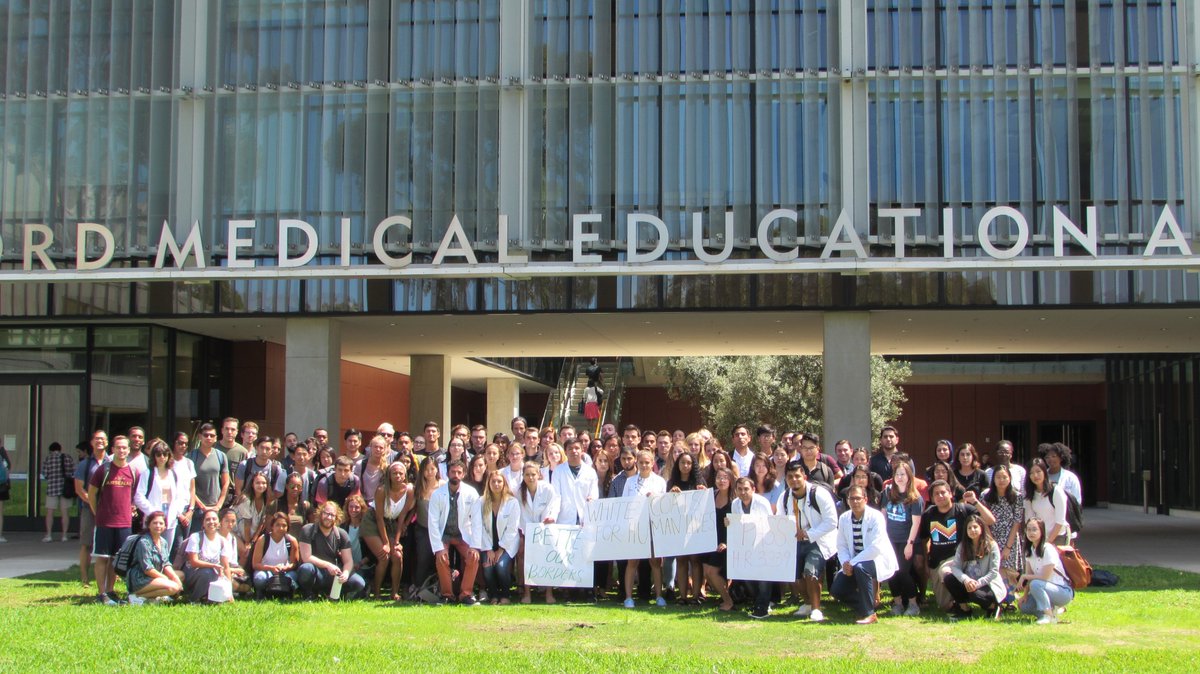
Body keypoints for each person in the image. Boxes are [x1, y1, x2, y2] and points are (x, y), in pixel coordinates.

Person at [917, 479, 995, 611]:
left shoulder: (963, 510)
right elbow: (924, 540)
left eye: (943, 492)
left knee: (946, 572)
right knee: (944, 606)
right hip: (937, 561)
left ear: (950, 493)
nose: (940, 496)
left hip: (962, 558)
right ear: (932, 497)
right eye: (936, 494)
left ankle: (975, 604)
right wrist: (926, 564)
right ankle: (962, 602)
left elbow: (990, 520)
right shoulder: (928, 514)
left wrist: (975, 502)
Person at [776, 460, 838, 621]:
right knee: (795, 576)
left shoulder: (819, 494)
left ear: (804, 476)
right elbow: (780, 520)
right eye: (790, 477)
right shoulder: (785, 497)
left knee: (810, 572)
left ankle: (816, 609)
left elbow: (832, 521)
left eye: (797, 476)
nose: (794, 480)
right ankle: (808, 603)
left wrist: (810, 534)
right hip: (795, 540)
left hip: (818, 540)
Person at [831, 486, 898, 624]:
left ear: (865, 499)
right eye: (852, 499)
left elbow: (876, 547)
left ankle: (870, 614)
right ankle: (866, 605)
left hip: (875, 560)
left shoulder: (876, 516)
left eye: (858, 498)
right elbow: (841, 545)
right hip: (853, 562)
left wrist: (853, 562)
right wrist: (845, 562)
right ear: (847, 501)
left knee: (861, 568)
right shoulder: (844, 518)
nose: (855, 502)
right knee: (837, 590)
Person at [88, 435, 138, 605]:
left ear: (129, 450)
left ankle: (111, 591)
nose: (122, 450)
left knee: (116, 560)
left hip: (124, 523)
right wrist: (96, 512)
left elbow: (133, 495)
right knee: (102, 557)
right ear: (113, 450)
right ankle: (101, 593)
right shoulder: (104, 470)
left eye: (125, 447)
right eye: (118, 447)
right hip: (104, 522)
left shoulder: (133, 471)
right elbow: (92, 493)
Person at [428, 460, 481, 604]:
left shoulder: (471, 493)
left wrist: (475, 546)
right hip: (444, 535)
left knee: (473, 557)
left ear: (463, 474)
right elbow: (432, 523)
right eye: (453, 472)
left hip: (463, 534)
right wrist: (438, 548)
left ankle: (466, 594)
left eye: (459, 472)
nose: (456, 475)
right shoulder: (437, 494)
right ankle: (447, 595)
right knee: (442, 559)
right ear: (447, 473)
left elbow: (477, 521)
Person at [622, 450, 668, 608]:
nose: (644, 465)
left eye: (647, 462)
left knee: (655, 562)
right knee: (632, 561)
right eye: (641, 462)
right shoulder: (630, 482)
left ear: (652, 462)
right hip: (635, 526)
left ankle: (659, 596)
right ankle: (629, 597)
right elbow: (624, 503)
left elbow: (665, 504)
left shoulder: (660, 481)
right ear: (637, 462)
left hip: (653, 525)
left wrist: (654, 497)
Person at [362, 461, 413, 600]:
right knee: (383, 556)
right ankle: (376, 593)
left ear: (405, 475)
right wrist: (386, 543)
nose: (397, 476)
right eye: (394, 473)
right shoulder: (381, 490)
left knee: (397, 555)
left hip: (391, 523)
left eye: (400, 473)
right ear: (389, 475)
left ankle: (394, 592)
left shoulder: (409, 490)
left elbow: (402, 517)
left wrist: (396, 542)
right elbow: (378, 518)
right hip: (373, 521)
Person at [879, 461, 923, 616]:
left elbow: (916, 523)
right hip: (890, 540)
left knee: (904, 572)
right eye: (897, 474)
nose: (899, 477)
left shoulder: (915, 497)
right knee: (891, 572)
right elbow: (883, 516)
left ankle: (913, 603)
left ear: (909, 476)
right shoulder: (887, 493)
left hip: (906, 540)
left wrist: (909, 544)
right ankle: (897, 603)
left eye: (903, 474)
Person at [942, 513, 1007, 619]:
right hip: (969, 582)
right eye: (969, 528)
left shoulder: (992, 545)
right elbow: (955, 567)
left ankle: (993, 606)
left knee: (974, 593)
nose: (972, 530)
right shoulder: (963, 546)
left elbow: (994, 571)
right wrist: (966, 580)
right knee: (949, 578)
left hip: (988, 584)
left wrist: (978, 583)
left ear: (981, 528)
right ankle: (965, 610)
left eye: (975, 527)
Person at [298, 501, 366, 600]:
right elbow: (306, 557)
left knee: (359, 582)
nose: (329, 518)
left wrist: (346, 573)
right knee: (306, 569)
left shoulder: (341, 534)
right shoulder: (308, 530)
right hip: (316, 571)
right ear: (320, 513)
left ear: (336, 518)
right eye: (326, 513)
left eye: (332, 515)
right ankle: (309, 594)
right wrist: (328, 565)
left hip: (334, 574)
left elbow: (348, 560)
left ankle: (335, 595)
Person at [133, 440, 188, 559]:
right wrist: (153, 513)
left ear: (169, 456)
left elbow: (181, 496)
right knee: (150, 549)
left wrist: (177, 512)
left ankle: (162, 574)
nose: (162, 457)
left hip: (171, 516)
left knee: (165, 551)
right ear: (154, 456)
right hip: (153, 515)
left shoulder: (173, 474)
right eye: (158, 454)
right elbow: (138, 496)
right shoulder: (148, 473)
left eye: (165, 454)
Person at [729, 477, 775, 619]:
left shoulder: (762, 503)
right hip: (745, 547)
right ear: (736, 491)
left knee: (763, 578)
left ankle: (763, 606)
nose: (743, 492)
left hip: (763, 545)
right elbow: (736, 526)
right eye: (740, 489)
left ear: (753, 489)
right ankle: (758, 602)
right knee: (748, 577)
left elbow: (770, 524)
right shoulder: (735, 504)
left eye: (746, 489)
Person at [518, 461, 560, 604]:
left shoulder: (547, 489)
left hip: (545, 529)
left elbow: (554, 504)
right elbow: (519, 515)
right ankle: (527, 593)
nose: (530, 478)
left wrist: (551, 517)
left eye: (533, 474)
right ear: (523, 476)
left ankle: (549, 593)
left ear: (539, 475)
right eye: (527, 475)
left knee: (547, 558)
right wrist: (524, 533)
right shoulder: (518, 491)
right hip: (526, 530)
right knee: (525, 559)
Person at [1017, 517, 1074, 624]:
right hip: (1041, 587)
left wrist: (1024, 576)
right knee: (1024, 606)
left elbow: (1044, 577)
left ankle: (1048, 617)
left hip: (1062, 591)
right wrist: (1024, 595)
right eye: (1028, 529)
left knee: (1036, 584)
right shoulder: (1029, 551)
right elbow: (1030, 575)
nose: (1031, 533)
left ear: (1041, 531)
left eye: (1034, 529)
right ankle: (1051, 612)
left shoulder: (1048, 549)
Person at [667, 452, 706, 605]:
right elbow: (666, 507)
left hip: (695, 528)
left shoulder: (699, 481)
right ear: (678, 465)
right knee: (681, 561)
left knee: (695, 561)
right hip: (679, 528)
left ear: (693, 465)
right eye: (683, 463)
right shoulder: (672, 483)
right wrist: (670, 494)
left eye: (689, 463)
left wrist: (703, 493)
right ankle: (682, 597)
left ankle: (696, 597)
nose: (685, 466)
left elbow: (705, 505)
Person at [478, 470, 520, 604]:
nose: (496, 484)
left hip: (507, 544)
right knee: (488, 567)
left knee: (501, 566)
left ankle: (506, 595)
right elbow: (480, 527)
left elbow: (512, 529)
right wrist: (488, 549)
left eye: (499, 481)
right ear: (488, 484)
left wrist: (501, 549)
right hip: (488, 543)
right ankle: (494, 595)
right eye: (493, 481)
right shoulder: (481, 502)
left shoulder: (512, 502)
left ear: (504, 484)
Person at [125, 510, 183, 605]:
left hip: (154, 577)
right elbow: (148, 569)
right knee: (173, 587)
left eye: (161, 523)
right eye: (155, 523)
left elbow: (166, 563)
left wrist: (174, 577)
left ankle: (155, 595)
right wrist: (166, 579)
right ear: (149, 525)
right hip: (140, 578)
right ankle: (136, 596)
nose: (158, 526)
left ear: (165, 526)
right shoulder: (144, 542)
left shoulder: (163, 541)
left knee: (181, 575)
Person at [74, 430, 109, 584]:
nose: (99, 441)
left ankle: (106, 578)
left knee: (108, 546)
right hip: (89, 509)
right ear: (91, 442)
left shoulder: (113, 462)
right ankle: (84, 578)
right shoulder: (85, 464)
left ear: (107, 442)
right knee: (86, 543)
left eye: (102, 439)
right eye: (96, 439)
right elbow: (79, 489)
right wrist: (93, 503)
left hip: (109, 510)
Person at [982, 464, 1025, 588]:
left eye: (1004, 477)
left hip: (1010, 537)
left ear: (1010, 478)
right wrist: (991, 542)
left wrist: (1008, 547)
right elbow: (983, 521)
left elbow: (1017, 521)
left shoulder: (1017, 496)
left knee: (1008, 571)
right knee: (993, 568)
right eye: (998, 477)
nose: (1001, 480)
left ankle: (1009, 599)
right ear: (993, 479)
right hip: (991, 536)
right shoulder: (985, 495)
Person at [700, 468, 736, 612]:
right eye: (719, 478)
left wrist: (727, 543)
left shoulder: (735, 501)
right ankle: (725, 597)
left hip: (727, 542)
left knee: (712, 571)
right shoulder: (711, 496)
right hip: (711, 540)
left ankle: (729, 601)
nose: (722, 480)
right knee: (706, 571)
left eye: (725, 477)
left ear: (731, 480)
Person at [186, 423, 230, 535]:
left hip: (216, 508)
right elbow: (188, 486)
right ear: (200, 437)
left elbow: (226, 482)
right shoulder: (190, 457)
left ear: (216, 438)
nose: (209, 438)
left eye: (212, 435)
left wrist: (219, 504)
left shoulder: (221, 456)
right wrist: (201, 506)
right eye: (206, 435)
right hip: (197, 510)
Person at [409, 456, 443, 597]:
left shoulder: (443, 485)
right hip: (423, 529)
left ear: (437, 469)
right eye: (426, 469)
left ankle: (440, 588)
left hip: (440, 530)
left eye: (432, 469)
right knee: (423, 559)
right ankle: (418, 588)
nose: (429, 472)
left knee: (440, 560)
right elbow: (410, 508)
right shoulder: (419, 487)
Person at [184, 509, 233, 603]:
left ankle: (208, 598)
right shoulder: (196, 537)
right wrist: (213, 566)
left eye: (214, 519)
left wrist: (230, 592)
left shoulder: (223, 541)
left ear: (219, 523)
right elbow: (194, 562)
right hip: (192, 573)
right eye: (208, 519)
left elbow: (226, 567)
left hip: (212, 573)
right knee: (208, 572)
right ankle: (194, 599)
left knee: (220, 576)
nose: (211, 522)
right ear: (203, 523)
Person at [251, 511, 300, 600]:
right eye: (277, 525)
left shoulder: (292, 541)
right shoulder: (263, 539)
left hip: (284, 572)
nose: (281, 528)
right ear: (272, 526)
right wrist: (271, 568)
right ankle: (261, 593)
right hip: (266, 570)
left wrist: (285, 568)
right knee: (260, 578)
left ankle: (287, 594)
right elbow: (255, 564)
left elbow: (294, 563)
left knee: (293, 576)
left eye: (284, 525)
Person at [551, 439, 599, 526]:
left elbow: (594, 494)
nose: (574, 451)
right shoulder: (558, 471)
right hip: (564, 519)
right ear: (565, 452)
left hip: (585, 520)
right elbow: (555, 496)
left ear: (582, 450)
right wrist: (553, 516)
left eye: (577, 448)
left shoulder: (590, 471)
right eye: (570, 449)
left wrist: (592, 499)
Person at [234, 472, 275, 567]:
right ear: (252, 484)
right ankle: (237, 577)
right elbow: (247, 523)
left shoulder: (266, 499)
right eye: (258, 483)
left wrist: (253, 540)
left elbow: (262, 522)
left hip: (249, 536)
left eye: (264, 483)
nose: (261, 485)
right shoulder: (245, 499)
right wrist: (248, 543)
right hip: (235, 532)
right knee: (245, 552)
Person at [1024, 459, 1070, 545]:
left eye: (1038, 471)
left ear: (1044, 472)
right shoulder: (1030, 494)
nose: (1035, 475)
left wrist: (1048, 543)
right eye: (1032, 473)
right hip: (1039, 538)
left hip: (1057, 538)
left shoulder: (1056, 491)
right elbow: (1029, 519)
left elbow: (1060, 521)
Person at [40, 441, 75, 542]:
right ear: (60, 449)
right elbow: (73, 471)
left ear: (51, 450)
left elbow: (45, 474)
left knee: (50, 512)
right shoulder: (67, 457)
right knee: (65, 512)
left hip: (52, 488)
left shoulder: (48, 458)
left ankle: (49, 535)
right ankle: (64, 535)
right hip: (66, 489)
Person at [235, 436, 285, 502]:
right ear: (256, 448)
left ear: (271, 451)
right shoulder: (245, 465)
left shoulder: (276, 469)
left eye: (267, 449)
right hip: (245, 504)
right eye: (262, 448)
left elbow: (278, 493)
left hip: (266, 505)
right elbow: (238, 490)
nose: (264, 451)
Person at [1041, 442, 1083, 507]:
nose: (1050, 459)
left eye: (1053, 456)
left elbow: (1077, 500)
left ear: (1061, 458)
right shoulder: (1042, 476)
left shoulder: (1071, 477)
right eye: (1047, 457)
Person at [278, 473, 312, 539]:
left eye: (298, 486)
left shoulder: (306, 506)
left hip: (299, 545)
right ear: (286, 486)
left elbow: (312, 528)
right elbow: (269, 528)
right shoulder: (276, 504)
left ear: (302, 488)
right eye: (292, 486)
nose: (295, 489)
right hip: (280, 544)